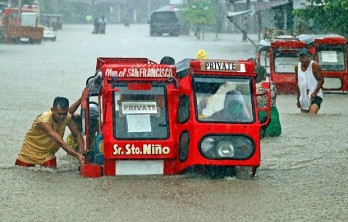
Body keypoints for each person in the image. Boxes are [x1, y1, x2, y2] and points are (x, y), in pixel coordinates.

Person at [15, 97, 85, 168]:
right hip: (29, 152)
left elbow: (77, 135)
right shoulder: (44, 121)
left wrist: (81, 151)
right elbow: (59, 141)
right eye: (59, 114)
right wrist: (76, 155)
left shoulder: (67, 117)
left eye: (64, 114)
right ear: (52, 110)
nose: (62, 117)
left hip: (48, 154)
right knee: (22, 172)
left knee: (52, 174)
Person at [295, 48, 324, 114]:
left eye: (304, 57)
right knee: (304, 118)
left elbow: (321, 80)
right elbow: (297, 83)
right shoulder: (297, 67)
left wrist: (314, 93)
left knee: (312, 115)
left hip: (315, 96)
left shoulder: (314, 65)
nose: (303, 59)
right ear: (298, 58)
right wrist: (298, 98)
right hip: (303, 97)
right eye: (301, 57)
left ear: (308, 56)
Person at [256, 65, 281, 137]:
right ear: (264, 74)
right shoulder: (271, 84)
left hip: (259, 113)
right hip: (272, 112)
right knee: (273, 135)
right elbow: (274, 98)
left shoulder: (253, 85)